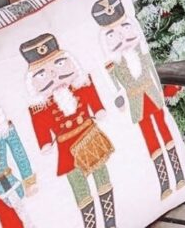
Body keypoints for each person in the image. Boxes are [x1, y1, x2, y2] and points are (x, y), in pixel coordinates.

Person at [92, 0, 185, 199]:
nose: (122, 37)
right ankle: (164, 184)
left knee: (165, 132)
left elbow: (151, 70)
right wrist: (119, 99)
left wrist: (160, 91)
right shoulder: (113, 64)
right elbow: (113, 85)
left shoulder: (141, 52)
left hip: (152, 94)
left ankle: (179, 175)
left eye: (124, 28)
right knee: (151, 139)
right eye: (113, 34)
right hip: (136, 101)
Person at [21, 33, 117, 228]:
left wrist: (98, 109)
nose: (54, 75)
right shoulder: (41, 106)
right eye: (43, 74)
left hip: (90, 135)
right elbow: (40, 122)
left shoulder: (80, 83)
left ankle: (110, 222)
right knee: (80, 188)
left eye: (58, 64)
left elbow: (90, 94)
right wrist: (45, 141)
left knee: (102, 178)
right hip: (66, 147)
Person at [0, 94, 36, 228]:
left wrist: (28, 180)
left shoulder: (2, 130)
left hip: (6, 184)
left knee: (17, 221)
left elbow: (18, 152)